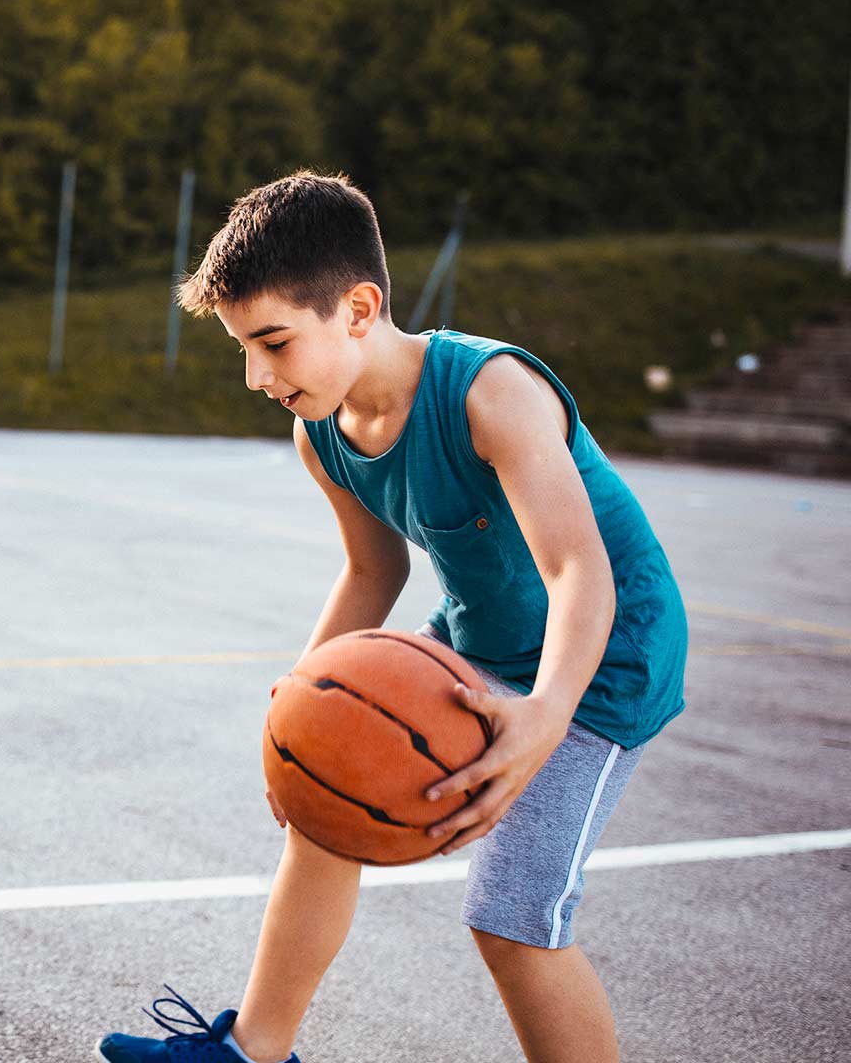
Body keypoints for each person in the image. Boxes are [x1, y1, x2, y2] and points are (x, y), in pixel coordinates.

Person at [96, 172, 686, 1063]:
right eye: (243, 350)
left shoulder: (492, 393)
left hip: (602, 661)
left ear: (360, 308)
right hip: (483, 636)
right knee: (323, 796)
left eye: (275, 343)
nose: (257, 376)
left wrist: (545, 715)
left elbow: (580, 573)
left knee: (513, 920)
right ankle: (254, 1053)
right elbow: (374, 569)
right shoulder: (323, 431)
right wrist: (298, 702)